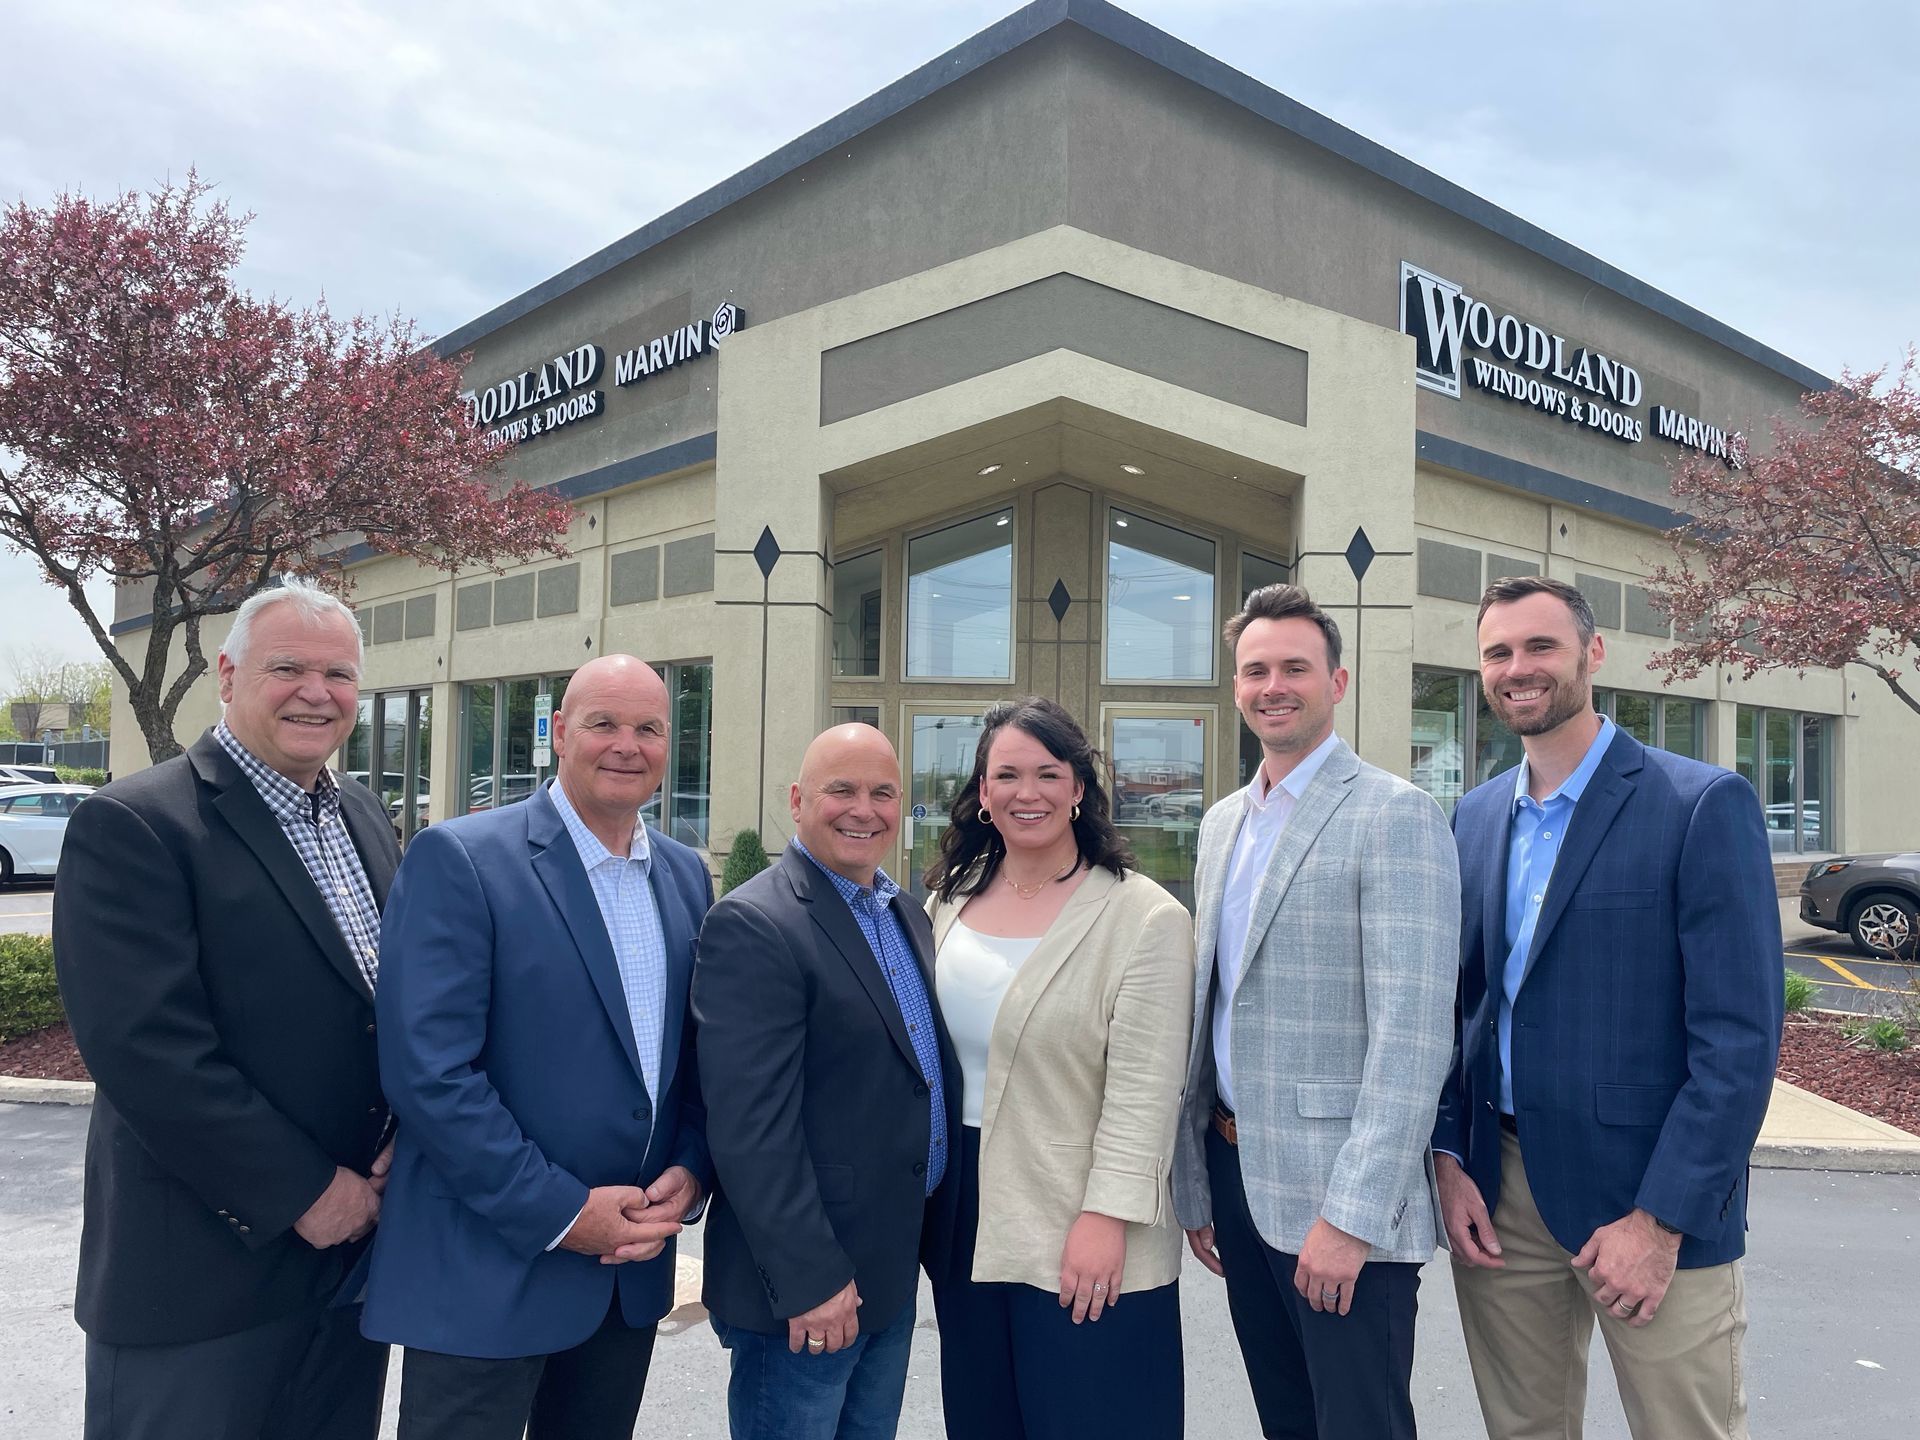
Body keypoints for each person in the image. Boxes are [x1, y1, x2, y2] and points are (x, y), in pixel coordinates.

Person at [1433, 576, 1781, 1440]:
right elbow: (1457, 1012)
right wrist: (1449, 1155)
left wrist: (1661, 1222)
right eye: (1499, 652)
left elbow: (1739, 1043)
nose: (1519, 668)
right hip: (1499, 1196)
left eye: (1540, 646)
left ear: (1593, 654)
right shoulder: (1472, 819)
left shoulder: (1698, 805)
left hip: (1647, 1197)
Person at [52, 579, 398, 1440]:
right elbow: (148, 1051)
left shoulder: (360, 812)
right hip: (203, 1277)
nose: (317, 693)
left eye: (339, 675)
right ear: (228, 674)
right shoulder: (135, 824)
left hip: (353, 1267)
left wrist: (403, 1142)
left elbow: (384, 1008)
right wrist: (309, 1193)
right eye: (289, 668)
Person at [361, 654, 714, 1440]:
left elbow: (694, 1057)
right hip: (486, 1271)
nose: (627, 744)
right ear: (558, 733)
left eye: (649, 728)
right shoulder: (461, 859)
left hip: (626, 1276)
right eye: (603, 723)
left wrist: (690, 1169)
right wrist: (560, 1211)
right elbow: (429, 1073)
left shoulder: (687, 877)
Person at [1171, 583, 1460, 1440]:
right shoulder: (1224, 823)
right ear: (1235, 687)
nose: (1274, 685)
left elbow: (1414, 1034)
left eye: (1295, 667)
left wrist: (1354, 1215)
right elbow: (1214, 1003)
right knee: (1289, 1421)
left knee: (1359, 1425)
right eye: (1255, 670)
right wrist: (1197, 1183)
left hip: (1341, 1198)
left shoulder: (1395, 815)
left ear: (1336, 681)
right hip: (1236, 1172)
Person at [923, 697, 1194, 1439]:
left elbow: (1146, 1090)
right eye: (1006, 775)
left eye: (1049, 773)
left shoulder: (1145, 918)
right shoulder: (948, 900)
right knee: (985, 1418)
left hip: (1082, 1210)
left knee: (1090, 1414)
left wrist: (1105, 1217)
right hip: (963, 1210)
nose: (1027, 792)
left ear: (1079, 788)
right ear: (983, 793)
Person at [693, 723, 959, 1440]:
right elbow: (751, 1131)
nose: (862, 809)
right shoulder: (755, 923)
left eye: (881, 792)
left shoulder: (905, 913)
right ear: (798, 800)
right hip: (809, 1290)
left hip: (888, 1270)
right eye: (841, 789)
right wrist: (811, 1280)